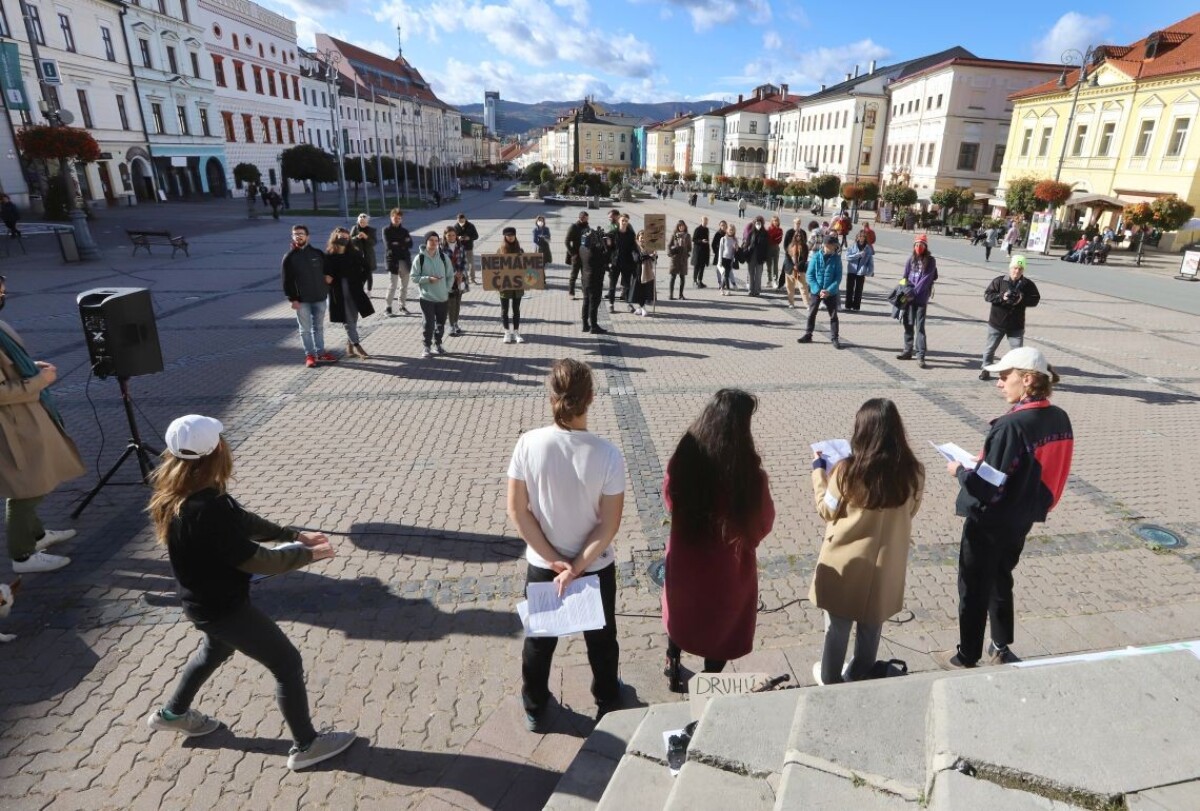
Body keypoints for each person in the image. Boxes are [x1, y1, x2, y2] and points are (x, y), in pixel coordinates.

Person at [145, 414, 355, 770]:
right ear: (216, 453)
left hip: (202, 604)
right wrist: (308, 554)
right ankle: (307, 745)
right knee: (287, 663)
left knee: (214, 650)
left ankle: (172, 714)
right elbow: (254, 560)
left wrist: (293, 535)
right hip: (224, 608)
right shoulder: (207, 508)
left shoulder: (182, 493)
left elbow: (242, 521)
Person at [934, 347, 1073, 670]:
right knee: (1000, 578)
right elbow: (1041, 469)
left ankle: (966, 655)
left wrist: (961, 471)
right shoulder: (1058, 416)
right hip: (1023, 516)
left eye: (1004, 377)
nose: (998, 384)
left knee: (973, 586)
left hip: (991, 521)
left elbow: (986, 488)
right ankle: (1000, 647)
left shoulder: (1012, 426)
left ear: (1027, 380)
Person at [507, 359, 625, 730]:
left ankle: (535, 705)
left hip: (544, 564)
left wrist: (555, 560)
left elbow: (518, 511)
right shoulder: (608, 454)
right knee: (602, 640)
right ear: (591, 398)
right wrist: (576, 566)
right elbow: (609, 523)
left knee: (540, 641)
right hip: (595, 564)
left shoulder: (528, 443)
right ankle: (607, 699)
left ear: (551, 397)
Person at [662, 389, 774, 691]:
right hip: (728, 571)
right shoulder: (749, 476)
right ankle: (708, 684)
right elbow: (762, 525)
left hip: (686, 559)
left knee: (680, 614)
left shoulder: (684, 460)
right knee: (720, 631)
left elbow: (670, 501)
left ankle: (672, 663)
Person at [810, 399, 923, 684]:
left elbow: (826, 509)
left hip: (847, 561)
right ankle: (859, 675)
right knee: (872, 628)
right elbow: (912, 510)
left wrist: (819, 471)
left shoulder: (846, 470)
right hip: (886, 565)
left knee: (836, 630)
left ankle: (831, 680)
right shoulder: (914, 471)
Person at [1, 275, 84, 574]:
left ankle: (36, 536)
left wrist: (28, 367)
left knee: (34, 481)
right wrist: (39, 381)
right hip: (12, 426)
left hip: (25, 415)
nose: (3, 292)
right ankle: (22, 556)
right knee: (26, 489)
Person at [282, 225, 335, 368]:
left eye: (301, 233)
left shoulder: (317, 253)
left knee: (318, 327)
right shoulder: (289, 257)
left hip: (319, 298)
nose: (298, 236)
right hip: (302, 301)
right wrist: (292, 299)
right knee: (305, 330)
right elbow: (287, 281)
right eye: (295, 234)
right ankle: (310, 355)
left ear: (307, 236)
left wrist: (329, 279)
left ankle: (321, 352)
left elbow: (328, 269)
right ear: (292, 237)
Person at [980, 255, 1041, 380]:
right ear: (1010, 268)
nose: (1017, 271)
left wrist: (1021, 299)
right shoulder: (999, 281)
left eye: (1020, 269)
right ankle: (985, 369)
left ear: (1023, 270)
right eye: (1015, 268)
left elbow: (1035, 299)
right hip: (997, 323)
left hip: (1016, 326)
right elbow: (987, 295)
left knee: (1018, 352)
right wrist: (1002, 297)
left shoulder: (1027, 284)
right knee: (990, 349)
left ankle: (1017, 376)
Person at [324, 227, 374, 359]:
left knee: (353, 318)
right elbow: (324, 273)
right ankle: (357, 346)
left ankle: (349, 346)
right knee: (347, 320)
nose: (344, 240)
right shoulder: (329, 255)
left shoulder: (354, 253)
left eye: (346, 238)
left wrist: (361, 281)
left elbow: (367, 267)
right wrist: (326, 278)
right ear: (335, 237)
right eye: (341, 237)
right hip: (338, 292)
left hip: (354, 290)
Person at [896, 234, 938, 369]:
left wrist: (912, 293)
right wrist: (903, 289)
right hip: (908, 298)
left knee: (920, 327)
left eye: (921, 245)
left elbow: (925, 280)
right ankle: (907, 351)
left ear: (925, 247)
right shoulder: (910, 259)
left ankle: (920, 355)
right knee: (908, 324)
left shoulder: (931, 261)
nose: (919, 247)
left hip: (920, 299)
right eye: (916, 244)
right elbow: (904, 277)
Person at [412, 231, 452, 358]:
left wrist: (446, 288)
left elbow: (450, 275)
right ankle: (427, 346)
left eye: (436, 240)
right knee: (428, 323)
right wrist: (428, 279)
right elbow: (414, 277)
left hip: (442, 296)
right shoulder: (420, 258)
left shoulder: (444, 257)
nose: (434, 243)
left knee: (440, 323)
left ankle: (438, 344)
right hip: (427, 297)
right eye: (431, 240)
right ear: (426, 242)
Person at [798, 235, 842, 349]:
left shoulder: (837, 259)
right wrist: (818, 290)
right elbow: (810, 275)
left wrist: (829, 290)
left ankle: (835, 338)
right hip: (816, 291)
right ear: (825, 245)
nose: (833, 248)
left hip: (830, 292)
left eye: (834, 246)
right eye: (831, 246)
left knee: (833, 315)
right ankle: (808, 334)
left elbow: (838, 278)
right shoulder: (816, 257)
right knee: (812, 312)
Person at [497, 227, 527, 343]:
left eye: (512, 235)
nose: (510, 237)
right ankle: (506, 332)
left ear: (515, 236)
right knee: (504, 310)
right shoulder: (500, 251)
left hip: (517, 286)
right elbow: (494, 268)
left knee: (516, 309)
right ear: (504, 237)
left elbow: (525, 267)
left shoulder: (520, 250)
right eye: (508, 236)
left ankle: (516, 332)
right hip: (504, 285)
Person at [579, 221, 610, 335]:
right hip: (595, 280)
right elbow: (606, 258)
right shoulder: (594, 251)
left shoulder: (582, 248)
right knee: (594, 302)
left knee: (586, 301)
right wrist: (604, 243)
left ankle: (585, 325)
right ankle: (594, 325)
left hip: (585, 279)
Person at [383, 209, 413, 316]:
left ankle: (402, 306)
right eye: (395, 218)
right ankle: (388, 307)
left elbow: (410, 245)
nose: (397, 220)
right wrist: (403, 242)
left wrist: (397, 242)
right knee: (393, 285)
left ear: (401, 219)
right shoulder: (386, 230)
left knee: (404, 286)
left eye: (399, 218)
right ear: (391, 217)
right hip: (393, 261)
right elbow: (388, 246)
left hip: (404, 261)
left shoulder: (405, 231)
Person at [608, 214, 638, 314]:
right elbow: (608, 249)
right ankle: (611, 304)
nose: (624, 222)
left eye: (626, 221)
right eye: (622, 220)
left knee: (627, 286)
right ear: (619, 221)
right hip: (615, 263)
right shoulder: (613, 233)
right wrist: (608, 261)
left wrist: (635, 255)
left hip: (627, 263)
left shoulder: (631, 234)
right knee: (612, 285)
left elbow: (634, 248)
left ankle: (629, 304)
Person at [443, 227, 468, 337]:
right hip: (448, 278)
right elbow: (442, 264)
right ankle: (451, 325)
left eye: (453, 235)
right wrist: (453, 273)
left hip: (460, 277)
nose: (451, 237)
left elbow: (464, 261)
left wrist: (460, 272)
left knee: (458, 302)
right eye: (449, 235)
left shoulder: (460, 247)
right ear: (445, 236)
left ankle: (456, 323)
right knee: (450, 303)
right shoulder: (441, 248)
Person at [844, 231, 874, 311]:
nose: (861, 238)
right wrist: (858, 255)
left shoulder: (868, 249)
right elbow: (847, 257)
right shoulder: (852, 246)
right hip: (851, 270)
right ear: (857, 237)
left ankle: (856, 306)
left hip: (861, 271)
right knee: (849, 289)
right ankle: (848, 305)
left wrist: (870, 271)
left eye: (863, 237)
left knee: (859, 290)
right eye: (860, 236)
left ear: (865, 238)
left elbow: (870, 262)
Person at [781, 226, 810, 310]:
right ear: (794, 236)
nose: (798, 237)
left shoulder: (804, 247)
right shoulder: (790, 245)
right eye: (797, 235)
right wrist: (792, 266)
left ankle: (807, 304)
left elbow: (805, 259)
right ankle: (791, 303)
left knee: (803, 287)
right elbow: (787, 257)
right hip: (790, 270)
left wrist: (797, 266)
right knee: (790, 287)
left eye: (800, 236)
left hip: (799, 270)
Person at [565, 210, 589, 300]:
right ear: (579, 218)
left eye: (586, 218)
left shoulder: (587, 226)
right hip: (576, 255)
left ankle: (584, 292)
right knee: (574, 275)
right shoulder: (573, 227)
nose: (585, 220)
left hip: (585, 255)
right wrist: (572, 253)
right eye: (584, 218)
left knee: (585, 275)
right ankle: (571, 292)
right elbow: (567, 241)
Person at [743, 216, 770, 297]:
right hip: (751, 256)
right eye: (757, 223)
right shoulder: (751, 233)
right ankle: (751, 290)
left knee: (758, 274)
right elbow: (746, 244)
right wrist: (746, 250)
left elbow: (767, 247)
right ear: (754, 223)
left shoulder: (765, 233)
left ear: (762, 224)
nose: (758, 224)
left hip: (760, 256)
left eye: (759, 223)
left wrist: (765, 258)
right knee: (751, 273)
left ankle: (757, 290)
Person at [631, 230, 656, 316]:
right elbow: (637, 258)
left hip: (647, 272)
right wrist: (648, 256)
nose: (643, 240)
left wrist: (654, 256)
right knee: (639, 291)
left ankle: (640, 308)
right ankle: (643, 308)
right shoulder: (635, 247)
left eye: (645, 238)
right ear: (638, 238)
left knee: (645, 291)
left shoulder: (649, 247)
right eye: (641, 238)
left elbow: (654, 260)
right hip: (637, 272)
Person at [454, 213, 480, 285]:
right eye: (459, 221)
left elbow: (476, 236)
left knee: (471, 263)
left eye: (462, 220)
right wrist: (457, 238)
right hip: (459, 248)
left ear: (465, 219)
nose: (460, 222)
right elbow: (452, 237)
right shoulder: (455, 227)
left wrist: (469, 238)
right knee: (460, 264)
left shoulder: (470, 226)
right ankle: (463, 279)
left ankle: (473, 279)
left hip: (469, 247)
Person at [667, 219, 691, 300]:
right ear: (677, 227)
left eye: (682, 226)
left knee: (682, 277)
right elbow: (669, 245)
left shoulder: (687, 236)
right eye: (680, 226)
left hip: (683, 259)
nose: (681, 227)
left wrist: (686, 252)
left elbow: (690, 248)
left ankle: (681, 295)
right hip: (675, 259)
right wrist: (671, 251)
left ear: (685, 226)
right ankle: (671, 295)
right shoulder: (674, 235)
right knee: (673, 277)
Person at [718, 223, 739, 296]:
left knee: (725, 275)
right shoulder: (723, 239)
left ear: (734, 231)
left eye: (732, 230)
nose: (731, 231)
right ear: (727, 230)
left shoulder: (735, 239)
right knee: (726, 274)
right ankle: (727, 289)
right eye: (730, 230)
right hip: (724, 259)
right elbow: (720, 250)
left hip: (730, 260)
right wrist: (720, 261)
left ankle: (721, 289)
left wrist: (736, 248)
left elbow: (736, 251)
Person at [691, 217, 711, 288]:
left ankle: (700, 281)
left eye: (706, 221)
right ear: (701, 221)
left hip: (704, 251)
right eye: (704, 221)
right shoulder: (697, 229)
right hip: (698, 251)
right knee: (697, 267)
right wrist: (701, 241)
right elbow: (693, 239)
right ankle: (694, 281)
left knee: (702, 267)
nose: (705, 223)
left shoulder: (707, 229)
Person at [765, 215, 784, 286]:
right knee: (769, 265)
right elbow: (767, 239)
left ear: (778, 222)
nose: (775, 222)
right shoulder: (769, 229)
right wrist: (771, 237)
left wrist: (772, 237)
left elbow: (778, 240)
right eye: (774, 220)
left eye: (776, 221)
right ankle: (769, 280)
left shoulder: (780, 230)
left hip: (775, 248)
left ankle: (775, 280)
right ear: (772, 221)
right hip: (768, 248)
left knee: (775, 265)